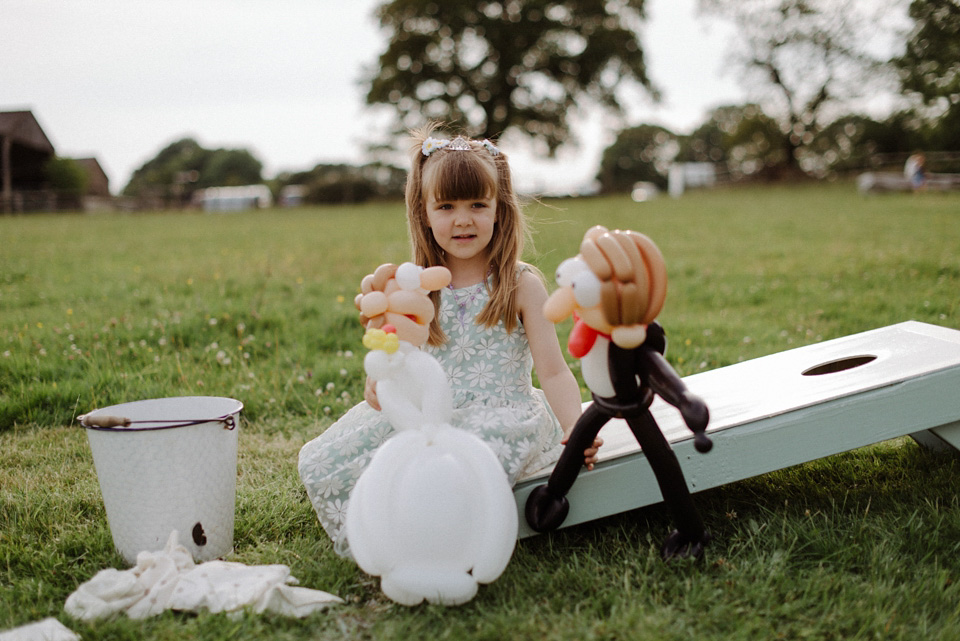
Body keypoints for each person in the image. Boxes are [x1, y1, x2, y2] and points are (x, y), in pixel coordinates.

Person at [298, 126, 599, 557]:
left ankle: (439, 545)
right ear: (424, 214)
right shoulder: (416, 288)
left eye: (478, 204)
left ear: (500, 209)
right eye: (446, 205)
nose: (463, 219)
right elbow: (403, 364)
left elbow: (552, 370)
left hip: (502, 414)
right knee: (323, 462)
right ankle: (388, 538)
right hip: (431, 414)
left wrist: (575, 427)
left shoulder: (520, 284)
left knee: (457, 468)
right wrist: (383, 384)